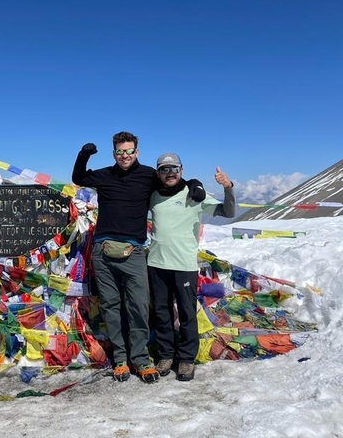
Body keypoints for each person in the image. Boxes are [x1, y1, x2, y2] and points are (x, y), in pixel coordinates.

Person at [72, 132, 206, 384]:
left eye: (129, 151)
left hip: (134, 251)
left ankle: (141, 358)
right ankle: (120, 360)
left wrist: (195, 183)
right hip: (103, 250)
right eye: (120, 152)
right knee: (111, 306)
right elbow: (78, 178)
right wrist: (84, 155)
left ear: (137, 152)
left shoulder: (148, 175)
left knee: (138, 306)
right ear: (114, 154)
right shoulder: (104, 175)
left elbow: (172, 180)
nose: (125, 156)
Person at [148, 153, 236, 381]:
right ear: (158, 172)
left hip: (184, 264)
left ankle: (186, 359)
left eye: (174, 169)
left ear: (181, 170)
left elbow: (228, 212)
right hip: (156, 263)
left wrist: (228, 187)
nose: (170, 173)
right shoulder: (153, 195)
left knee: (187, 313)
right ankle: (166, 355)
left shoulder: (194, 194)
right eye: (164, 169)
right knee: (161, 312)